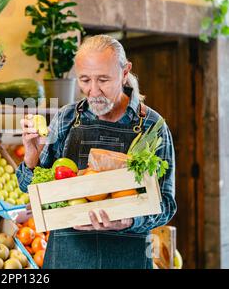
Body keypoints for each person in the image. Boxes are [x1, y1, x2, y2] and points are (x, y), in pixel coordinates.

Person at [16, 35, 177, 269]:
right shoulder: (66, 119)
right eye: (84, 80)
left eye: (103, 79)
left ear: (124, 72)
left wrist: (129, 220)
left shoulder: (153, 126)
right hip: (67, 256)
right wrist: (31, 158)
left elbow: (167, 205)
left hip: (127, 258)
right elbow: (29, 188)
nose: (93, 91)